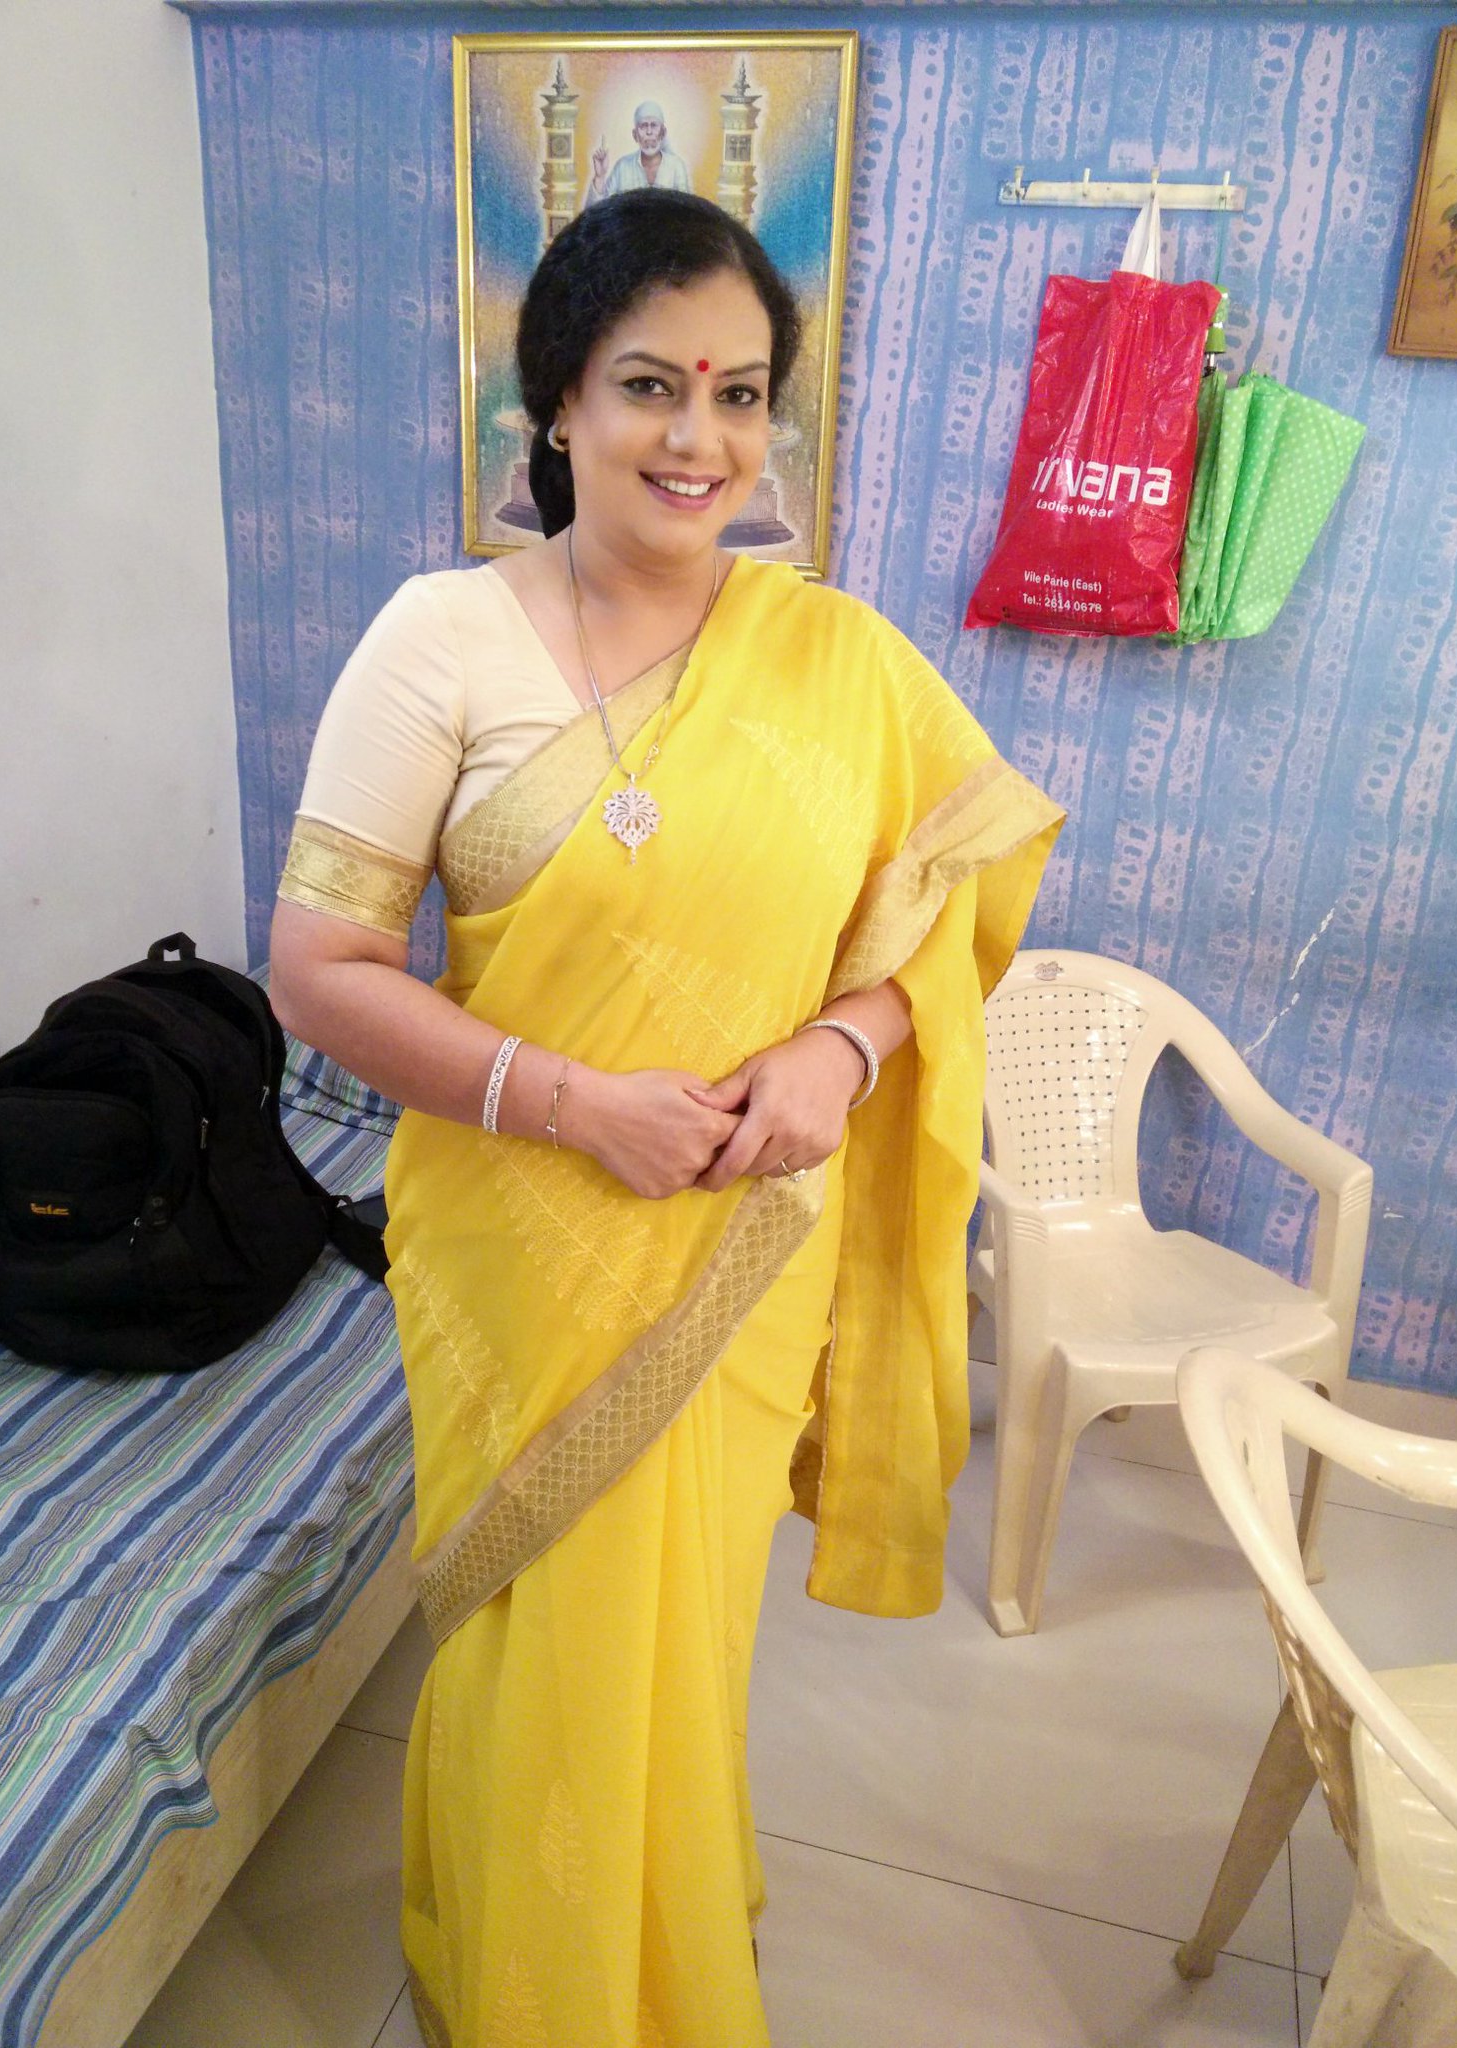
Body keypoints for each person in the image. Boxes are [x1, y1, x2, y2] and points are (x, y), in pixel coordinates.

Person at [270, 188, 1062, 2048]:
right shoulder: (440, 638)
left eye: (738, 391)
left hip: (743, 1240)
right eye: (647, 385)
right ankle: (534, 1977)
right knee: (540, 1633)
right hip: (520, 1244)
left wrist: (843, 1051)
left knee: (680, 1642)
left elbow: (954, 916)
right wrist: (573, 1104)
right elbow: (317, 969)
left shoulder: (841, 661)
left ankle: (659, 1929)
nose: (698, 436)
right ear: (556, 400)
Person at [586, 100, 692, 206]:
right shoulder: (622, 167)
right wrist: (599, 177)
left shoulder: (676, 166)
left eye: (654, 125)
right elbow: (597, 212)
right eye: (643, 126)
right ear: (635, 135)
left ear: (663, 132)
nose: (649, 132)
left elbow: (687, 210)